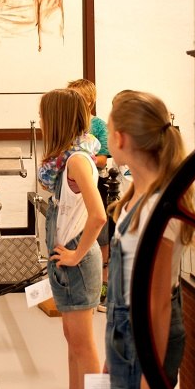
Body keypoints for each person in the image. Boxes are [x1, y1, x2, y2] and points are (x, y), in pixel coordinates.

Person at [103, 90, 195, 389]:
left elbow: (157, 304)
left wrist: (150, 381)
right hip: (129, 334)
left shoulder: (158, 207)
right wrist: (110, 354)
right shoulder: (136, 197)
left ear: (120, 138)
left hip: (147, 340)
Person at [33, 88, 106, 389]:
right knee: (72, 340)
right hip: (68, 265)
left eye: (46, 117)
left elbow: (99, 216)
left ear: (56, 119)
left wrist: (76, 254)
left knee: (86, 347)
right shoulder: (69, 158)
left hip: (77, 263)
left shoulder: (77, 161)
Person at [66, 78, 112, 310]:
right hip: (72, 192)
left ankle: (102, 288)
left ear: (89, 100)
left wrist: (86, 159)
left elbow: (105, 158)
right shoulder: (65, 125)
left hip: (95, 187)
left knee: (101, 238)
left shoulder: (99, 126)